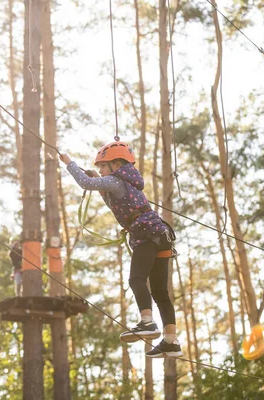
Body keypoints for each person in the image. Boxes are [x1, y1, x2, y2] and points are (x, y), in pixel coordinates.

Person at [59, 141, 182, 358]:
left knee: (136, 280)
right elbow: (98, 185)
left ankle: (147, 322)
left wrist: (69, 162)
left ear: (116, 165)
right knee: (161, 293)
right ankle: (171, 341)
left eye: (103, 167)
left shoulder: (116, 181)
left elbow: (86, 183)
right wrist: (97, 178)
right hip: (160, 236)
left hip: (147, 236)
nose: (100, 171)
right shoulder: (125, 183)